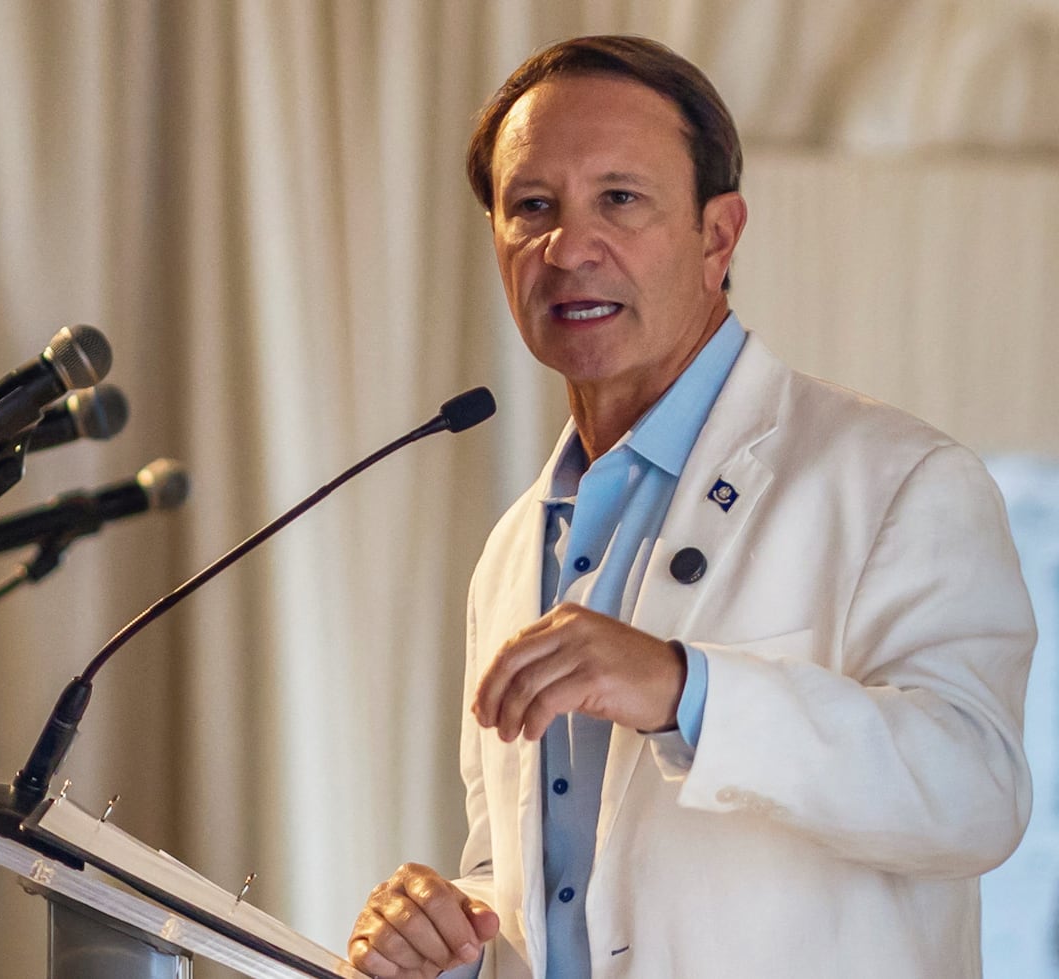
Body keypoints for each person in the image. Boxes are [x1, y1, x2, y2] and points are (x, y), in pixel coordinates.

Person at [347, 34, 1035, 979]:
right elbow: (530, 885)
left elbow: (976, 792)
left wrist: (684, 688)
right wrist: (444, 938)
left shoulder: (900, 479)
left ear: (718, 237)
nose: (568, 246)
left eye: (619, 201)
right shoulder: (514, 548)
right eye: (532, 207)